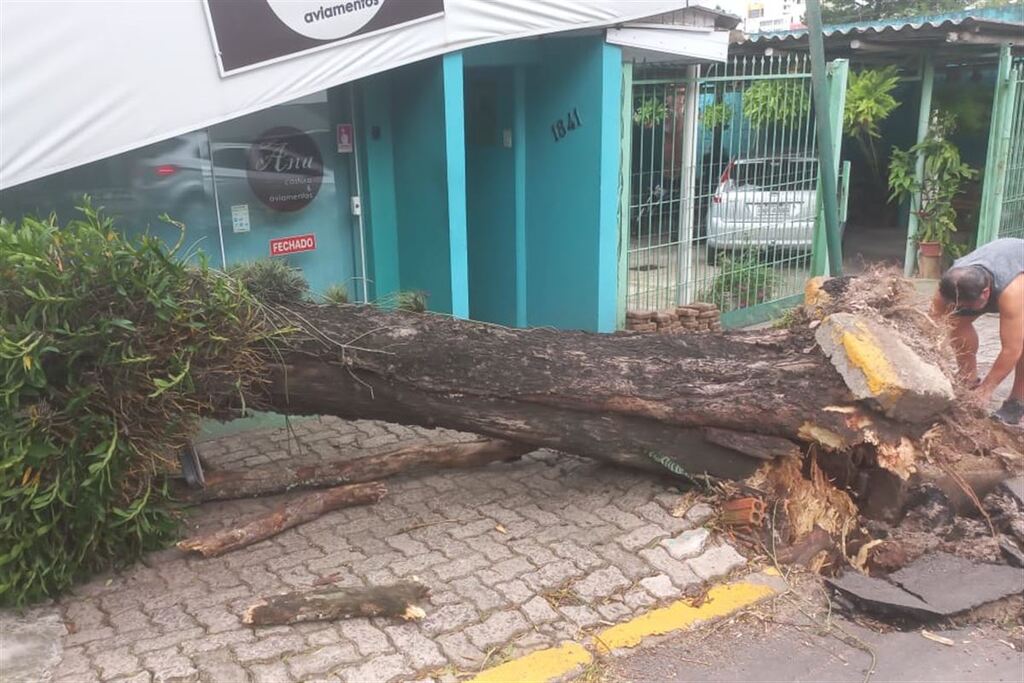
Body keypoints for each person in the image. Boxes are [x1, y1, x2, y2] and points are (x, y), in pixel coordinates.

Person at [931, 238, 1024, 425]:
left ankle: (1017, 402)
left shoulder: (1012, 292)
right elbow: (931, 326)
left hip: (1015, 275)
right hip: (995, 268)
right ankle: (969, 379)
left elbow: (1011, 350)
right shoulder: (948, 288)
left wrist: (987, 390)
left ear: (986, 293)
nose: (962, 307)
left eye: (967, 305)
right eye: (957, 304)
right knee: (955, 321)